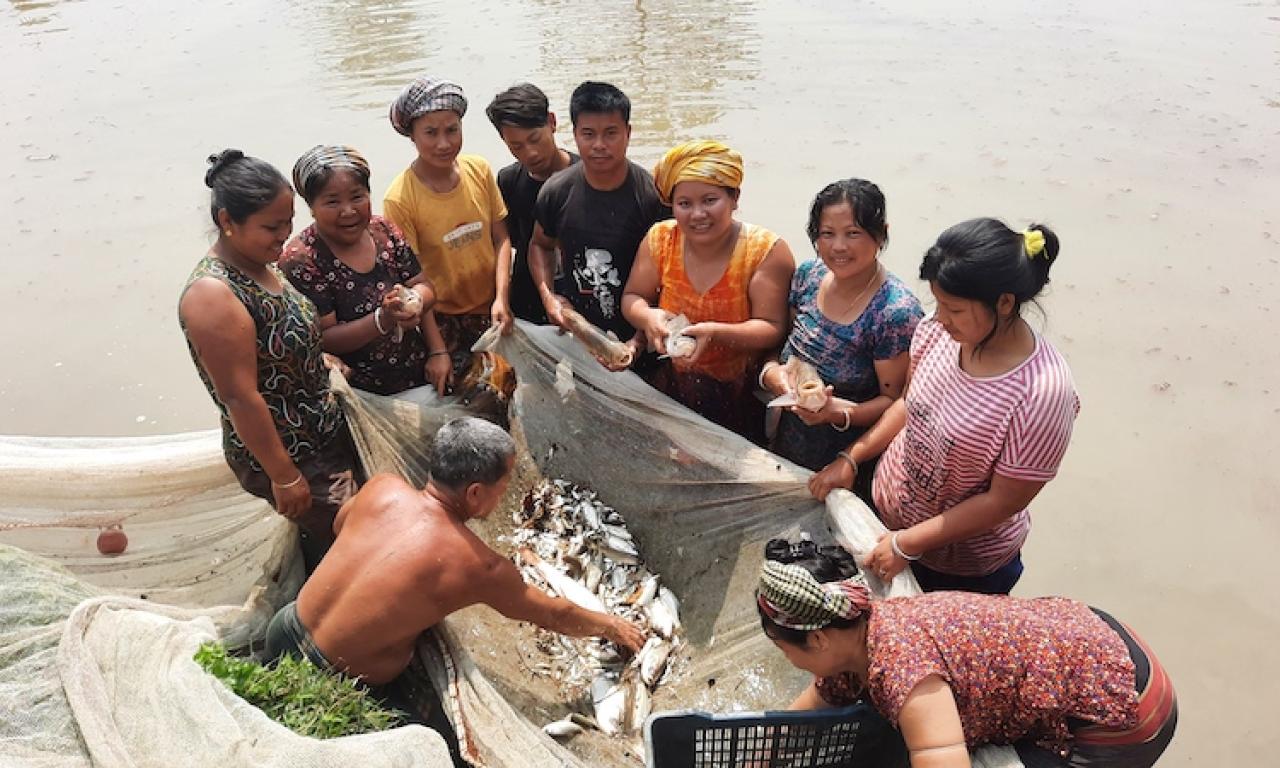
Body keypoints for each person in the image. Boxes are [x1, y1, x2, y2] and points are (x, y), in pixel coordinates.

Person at [263, 417, 646, 761]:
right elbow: (552, 613)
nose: (504, 493)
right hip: (342, 683)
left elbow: (340, 527)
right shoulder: (478, 565)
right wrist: (612, 626)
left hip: (284, 631)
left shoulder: (383, 486)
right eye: (505, 484)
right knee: (437, 750)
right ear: (476, 493)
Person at [809, 219, 1079, 595]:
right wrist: (852, 458)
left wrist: (909, 544)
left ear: (1004, 303)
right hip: (884, 516)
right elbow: (907, 404)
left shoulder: (1042, 393)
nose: (938, 317)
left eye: (954, 309)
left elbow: (1002, 502)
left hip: (961, 564)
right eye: (937, 302)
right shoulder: (937, 332)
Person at [757, 538, 1177, 768]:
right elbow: (815, 703)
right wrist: (761, 753)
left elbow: (941, 759)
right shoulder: (861, 628)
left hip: (1123, 709)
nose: (789, 661)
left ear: (817, 640)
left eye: (784, 649)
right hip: (1095, 635)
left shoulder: (902, 670)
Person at [179, 150, 362, 573]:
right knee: (356, 543)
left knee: (348, 535)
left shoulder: (264, 264)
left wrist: (320, 360)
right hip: (288, 451)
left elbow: (278, 344)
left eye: (288, 221)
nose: (285, 235)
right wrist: (284, 476)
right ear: (228, 222)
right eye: (271, 227)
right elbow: (240, 398)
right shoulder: (214, 295)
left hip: (323, 431)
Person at [621, 140, 794, 442]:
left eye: (710, 200)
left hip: (741, 390)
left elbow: (773, 327)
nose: (697, 214)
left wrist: (713, 333)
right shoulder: (661, 239)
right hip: (676, 381)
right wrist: (649, 318)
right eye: (684, 204)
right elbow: (633, 297)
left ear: (734, 198)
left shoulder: (765, 250)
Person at [760, 179, 923, 490]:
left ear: (881, 234)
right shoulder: (809, 275)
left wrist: (838, 414)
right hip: (782, 437)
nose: (838, 247)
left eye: (853, 233)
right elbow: (783, 344)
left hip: (846, 459)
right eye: (827, 234)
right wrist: (771, 374)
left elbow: (897, 401)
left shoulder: (894, 312)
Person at [280, 145, 453, 396]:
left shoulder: (383, 230)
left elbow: (422, 284)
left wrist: (417, 308)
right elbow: (324, 337)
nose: (348, 211)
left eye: (357, 197)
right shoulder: (301, 259)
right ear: (311, 207)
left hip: (417, 369)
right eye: (332, 202)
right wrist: (382, 320)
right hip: (358, 391)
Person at [528, 80, 670, 368]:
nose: (599, 145)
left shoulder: (653, 197)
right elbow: (540, 245)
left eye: (611, 133)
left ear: (628, 134)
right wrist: (548, 297)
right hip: (582, 335)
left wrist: (638, 341)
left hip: (644, 337)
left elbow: (670, 279)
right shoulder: (556, 191)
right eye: (588, 134)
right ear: (575, 135)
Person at [384, 77, 514, 390]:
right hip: (442, 318)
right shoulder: (400, 199)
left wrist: (502, 298)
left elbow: (502, 240)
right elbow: (414, 283)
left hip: (493, 308)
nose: (444, 143)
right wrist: (437, 349)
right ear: (412, 135)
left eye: (452, 130)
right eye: (431, 132)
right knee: (466, 395)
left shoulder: (479, 170)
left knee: (509, 386)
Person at [485, 83, 579, 324]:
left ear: (552, 122)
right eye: (516, 146)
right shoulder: (508, 181)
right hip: (529, 304)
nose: (530, 153)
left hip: (581, 300)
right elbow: (509, 242)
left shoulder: (587, 175)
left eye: (535, 139)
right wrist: (502, 299)